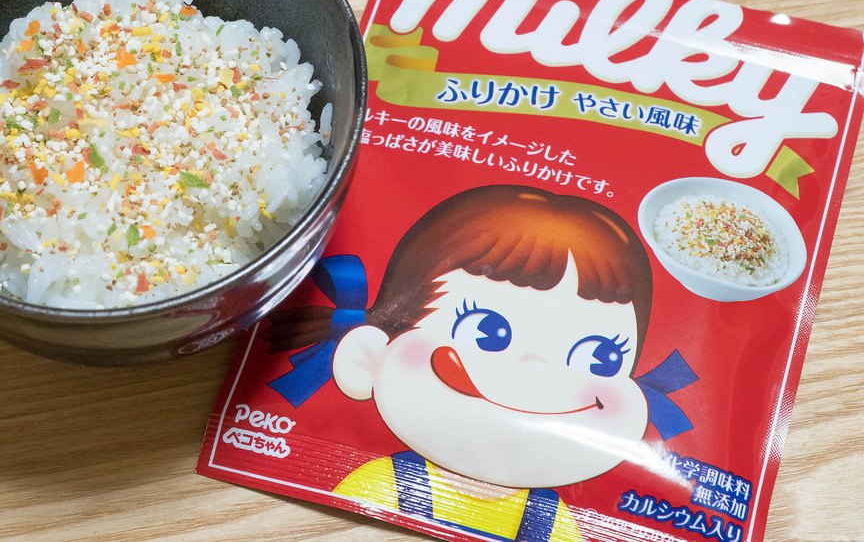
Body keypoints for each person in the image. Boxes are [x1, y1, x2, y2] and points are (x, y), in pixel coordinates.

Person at [267, 185, 695, 542]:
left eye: (600, 357)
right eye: (487, 331)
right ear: (367, 358)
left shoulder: (554, 523)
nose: (535, 369)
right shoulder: (383, 488)